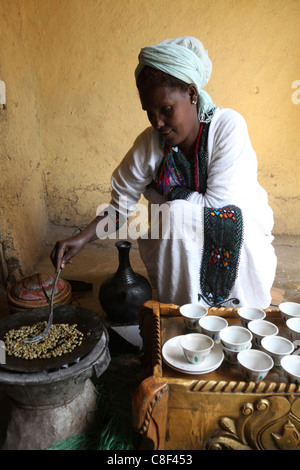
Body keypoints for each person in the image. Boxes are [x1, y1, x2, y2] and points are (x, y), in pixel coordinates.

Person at [51, 36, 277, 309]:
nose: (157, 122)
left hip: (239, 243)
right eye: (149, 112)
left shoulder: (227, 128)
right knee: (171, 217)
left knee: (173, 215)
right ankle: (183, 315)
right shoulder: (150, 144)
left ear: (192, 95)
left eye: (166, 110)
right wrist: (82, 238)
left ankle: (221, 309)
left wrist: (169, 202)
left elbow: (220, 208)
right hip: (179, 246)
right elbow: (120, 207)